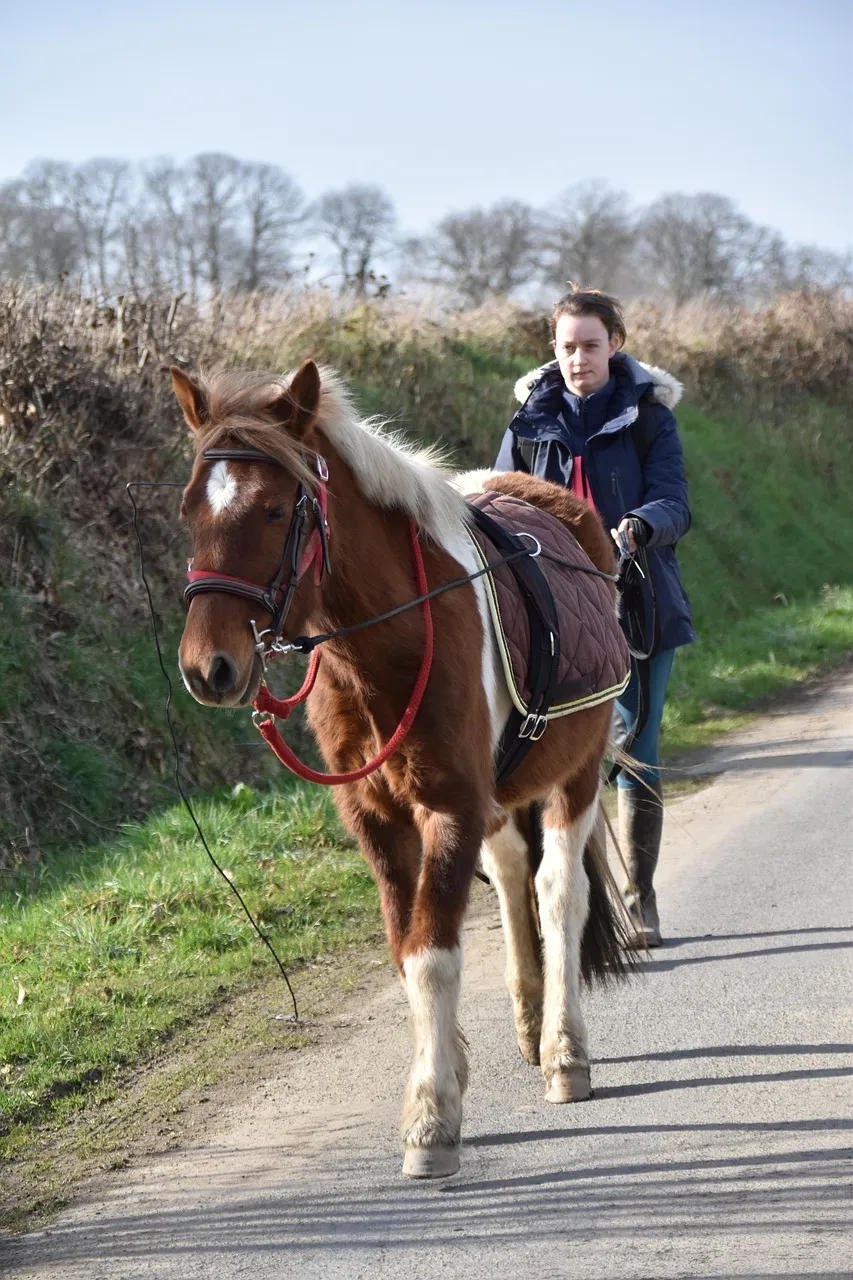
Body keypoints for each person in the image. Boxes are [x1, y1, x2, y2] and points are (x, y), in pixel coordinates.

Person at [494, 285, 695, 947]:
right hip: (551, 611)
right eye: (566, 347)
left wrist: (636, 526)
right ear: (553, 351)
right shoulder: (527, 421)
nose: (578, 358)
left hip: (638, 602)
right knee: (562, 757)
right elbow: (495, 501)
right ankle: (572, 907)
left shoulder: (648, 420)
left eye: (590, 345)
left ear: (616, 346)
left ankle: (639, 903)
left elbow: (674, 502)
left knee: (636, 753)